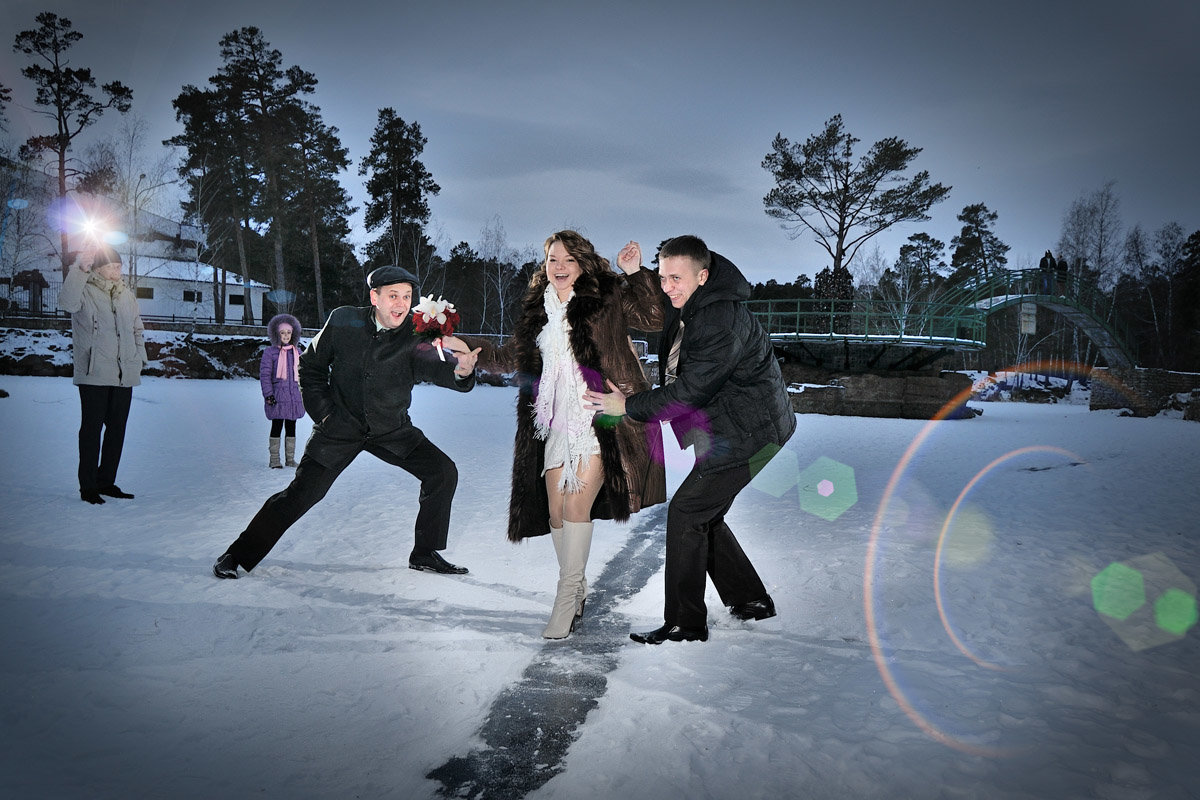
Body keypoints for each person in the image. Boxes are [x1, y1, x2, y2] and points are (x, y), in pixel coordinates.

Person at [585, 235, 796, 644]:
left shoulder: (718, 321)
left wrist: (626, 405)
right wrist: (637, 274)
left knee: (687, 513)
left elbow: (688, 392)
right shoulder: (694, 300)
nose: (668, 288)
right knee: (703, 513)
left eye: (675, 278)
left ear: (703, 275)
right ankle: (751, 600)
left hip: (749, 433)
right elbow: (659, 304)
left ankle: (686, 622)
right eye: (663, 278)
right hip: (731, 428)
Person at [212, 265, 480, 579]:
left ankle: (425, 553)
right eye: (393, 295)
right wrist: (326, 414)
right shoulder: (343, 320)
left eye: (407, 296)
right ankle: (236, 555)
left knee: (442, 472)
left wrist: (461, 372)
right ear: (374, 297)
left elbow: (433, 366)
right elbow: (310, 369)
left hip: (390, 429)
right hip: (339, 430)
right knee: (300, 495)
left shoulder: (414, 332)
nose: (401, 303)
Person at [466, 231, 666, 638]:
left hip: (600, 419)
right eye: (552, 259)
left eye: (568, 260)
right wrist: (471, 350)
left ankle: (566, 595)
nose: (559, 267)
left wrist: (636, 273)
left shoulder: (606, 296)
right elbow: (508, 358)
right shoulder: (536, 312)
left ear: (582, 264)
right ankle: (579, 587)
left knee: (577, 507)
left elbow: (655, 318)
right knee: (556, 513)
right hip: (555, 421)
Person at [58, 244, 148, 505]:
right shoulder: (83, 289)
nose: (115, 272)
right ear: (97, 269)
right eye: (109, 267)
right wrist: (79, 269)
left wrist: (138, 358)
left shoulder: (126, 295)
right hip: (94, 371)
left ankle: (106, 482)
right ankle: (88, 487)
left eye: (118, 267)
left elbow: (136, 328)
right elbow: (66, 302)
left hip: (124, 374)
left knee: (117, 430)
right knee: (91, 430)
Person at [259, 313, 306, 468]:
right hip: (278, 397)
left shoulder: (297, 352)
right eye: (282, 333)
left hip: (294, 397)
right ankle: (274, 460)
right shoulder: (270, 352)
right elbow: (265, 375)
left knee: (291, 427)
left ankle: (290, 459)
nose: (286, 336)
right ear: (276, 334)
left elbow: (303, 374)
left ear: (293, 334)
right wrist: (268, 395)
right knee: (277, 426)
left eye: (288, 333)